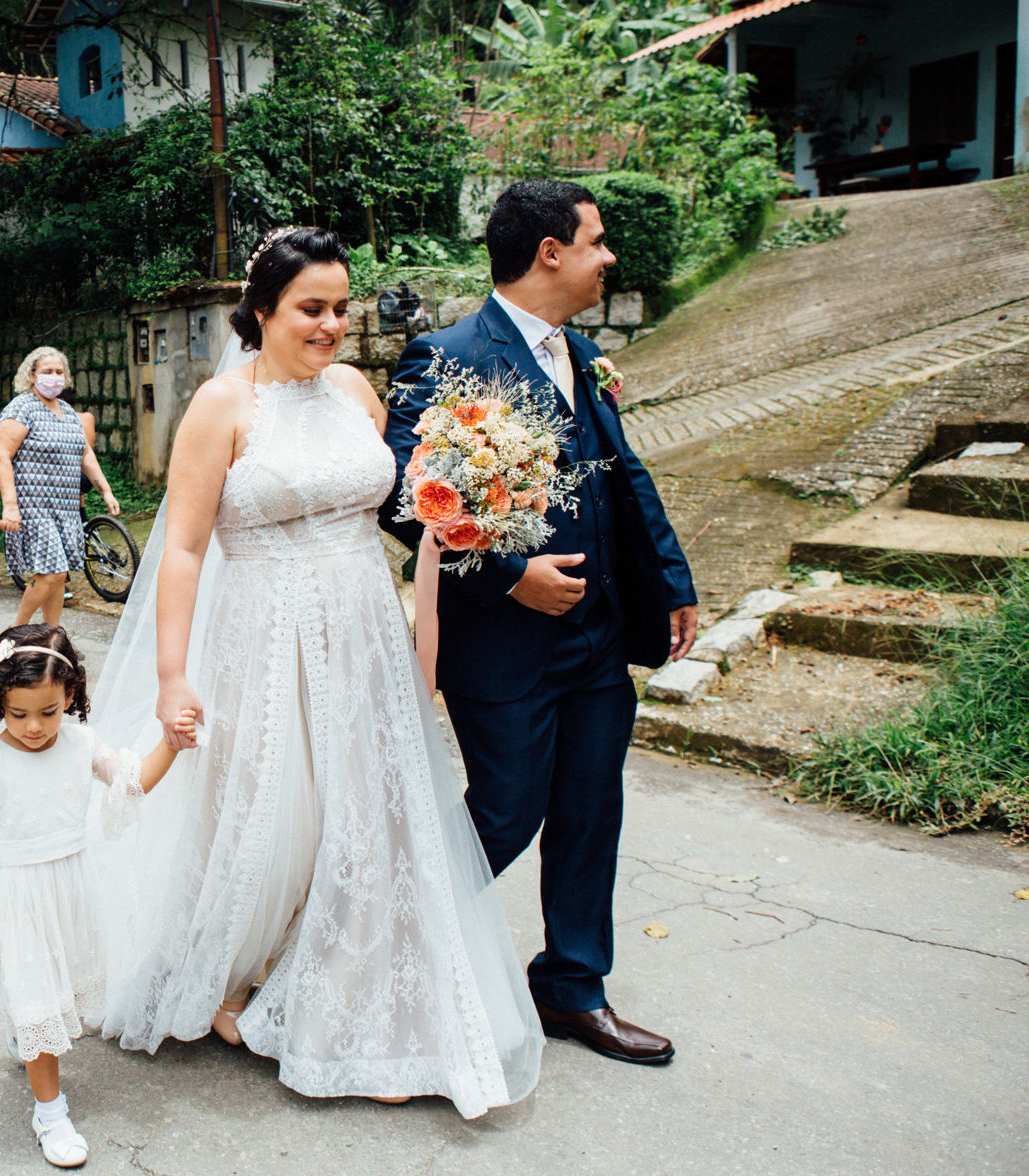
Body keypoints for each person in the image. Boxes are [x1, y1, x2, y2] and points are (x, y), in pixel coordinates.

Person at [93, 227, 542, 1114]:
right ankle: (226, 977)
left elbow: (394, 509)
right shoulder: (221, 406)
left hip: (364, 628)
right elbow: (180, 549)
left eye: (342, 307)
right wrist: (171, 676)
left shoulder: (353, 392)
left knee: (365, 808)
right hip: (263, 634)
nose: (334, 324)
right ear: (262, 312)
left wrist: (475, 499)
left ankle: (337, 983)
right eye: (313, 308)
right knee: (270, 808)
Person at [382, 182, 699, 1066]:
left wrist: (671, 582)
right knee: (506, 812)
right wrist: (512, 575)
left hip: (599, 632)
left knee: (592, 810)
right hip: (505, 640)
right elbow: (409, 499)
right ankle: (385, 950)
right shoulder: (444, 356)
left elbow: (625, 475)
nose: (609, 259)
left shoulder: (585, 353)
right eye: (596, 242)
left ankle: (571, 989)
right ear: (550, 251)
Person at [0, 626, 184, 1169]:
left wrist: (169, 743)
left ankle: (25, 1032)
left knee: (49, 994)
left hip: (69, 888)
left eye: (48, 712)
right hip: (19, 899)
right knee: (37, 1001)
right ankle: (50, 1112)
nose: (34, 727)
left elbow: (133, 780)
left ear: (70, 697)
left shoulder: (81, 742)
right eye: (18, 713)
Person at [0, 348, 120, 626]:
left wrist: (105, 490)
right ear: (32, 375)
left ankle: (52, 633)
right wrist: (10, 505)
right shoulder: (21, 408)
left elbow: (85, 454)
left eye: (59, 372)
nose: (55, 377)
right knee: (50, 573)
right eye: (47, 371)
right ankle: (17, 629)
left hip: (65, 507)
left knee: (60, 575)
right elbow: (2, 456)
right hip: (33, 507)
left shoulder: (67, 412)